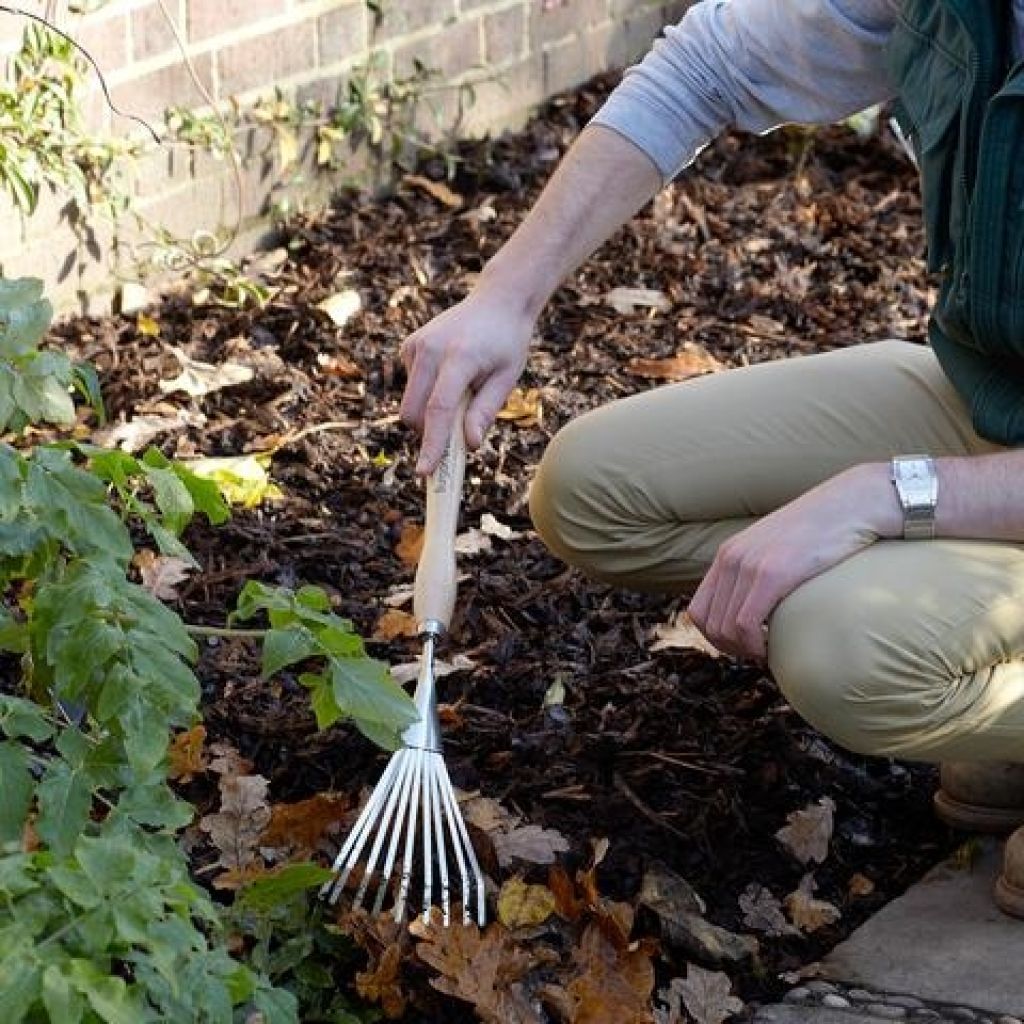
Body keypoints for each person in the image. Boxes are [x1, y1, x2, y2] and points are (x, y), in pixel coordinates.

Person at [398, 0, 1024, 916]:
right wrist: (507, 296)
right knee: (594, 492)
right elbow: (708, 67)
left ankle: (965, 649)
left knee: (842, 646)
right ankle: (987, 669)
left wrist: (882, 497)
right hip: (991, 397)